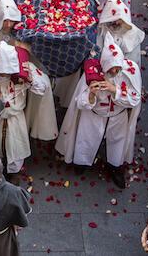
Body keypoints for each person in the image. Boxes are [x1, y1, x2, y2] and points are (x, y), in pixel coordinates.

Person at [56, 33, 142, 188]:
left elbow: (135, 99)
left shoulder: (131, 71)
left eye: (118, 68)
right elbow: (81, 103)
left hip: (118, 116)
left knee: (117, 143)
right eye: (111, 69)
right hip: (94, 115)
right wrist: (91, 95)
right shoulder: (92, 75)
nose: (116, 72)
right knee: (86, 139)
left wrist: (114, 89)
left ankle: (115, 167)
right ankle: (81, 163)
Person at [0, 41, 48, 181]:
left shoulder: (24, 68)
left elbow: (42, 88)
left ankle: (14, 173)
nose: (4, 75)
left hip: (15, 117)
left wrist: (30, 79)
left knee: (16, 146)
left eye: (7, 72)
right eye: (1, 72)